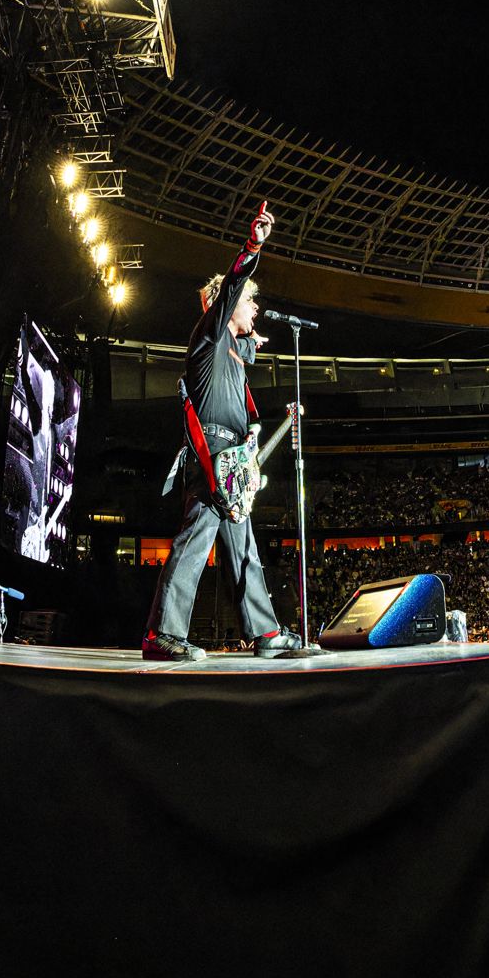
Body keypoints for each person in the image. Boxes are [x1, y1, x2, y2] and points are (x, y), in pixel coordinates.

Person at [143, 202, 305, 661]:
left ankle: (266, 635)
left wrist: (248, 344)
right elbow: (233, 287)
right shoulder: (210, 334)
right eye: (250, 301)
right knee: (196, 541)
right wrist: (253, 245)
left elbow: (238, 368)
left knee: (243, 546)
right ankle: (161, 635)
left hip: (232, 458)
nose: (256, 307)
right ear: (228, 306)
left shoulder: (230, 350)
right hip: (212, 454)